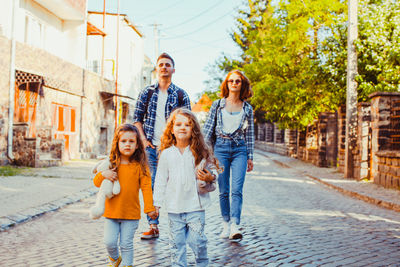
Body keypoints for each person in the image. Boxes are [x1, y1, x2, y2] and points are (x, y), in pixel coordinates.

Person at [133, 52, 191, 240]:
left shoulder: (181, 94)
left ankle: (179, 225)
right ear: (156, 69)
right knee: (151, 185)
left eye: (168, 64)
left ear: (173, 69)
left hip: (173, 148)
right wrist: (143, 140)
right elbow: (137, 119)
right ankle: (153, 225)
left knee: (177, 185)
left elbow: (189, 122)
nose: (164, 67)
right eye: (161, 64)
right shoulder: (146, 92)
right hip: (150, 147)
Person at [153, 108, 220, 267]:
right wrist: (156, 203)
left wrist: (211, 177)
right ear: (172, 129)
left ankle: (202, 262)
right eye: (178, 124)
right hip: (174, 209)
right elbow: (160, 180)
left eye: (188, 125)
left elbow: (215, 170)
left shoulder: (200, 152)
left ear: (194, 130)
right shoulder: (166, 154)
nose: (183, 127)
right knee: (176, 246)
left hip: (195, 207)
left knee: (197, 241)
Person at [92, 124, 157, 267]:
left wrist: (149, 208)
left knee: (126, 244)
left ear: (137, 145)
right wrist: (104, 174)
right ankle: (115, 259)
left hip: (131, 214)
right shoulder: (111, 163)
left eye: (131, 141)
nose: (127, 144)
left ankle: (128, 264)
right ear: (117, 143)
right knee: (109, 242)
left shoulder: (141, 166)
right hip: (111, 213)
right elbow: (96, 182)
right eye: (123, 141)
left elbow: (146, 188)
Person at [203, 69, 254, 240]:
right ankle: (225, 224)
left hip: (240, 150)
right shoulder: (217, 105)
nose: (234, 83)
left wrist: (250, 157)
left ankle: (235, 225)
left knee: (237, 190)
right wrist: (203, 152)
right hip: (221, 150)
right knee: (224, 190)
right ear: (226, 84)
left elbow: (250, 134)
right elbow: (208, 131)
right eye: (231, 81)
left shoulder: (247, 108)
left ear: (242, 84)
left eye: (237, 81)